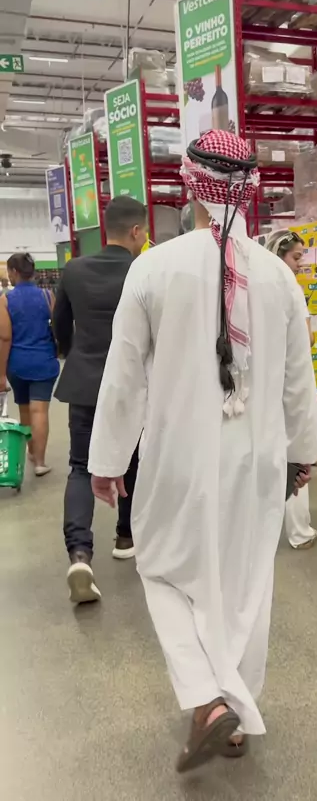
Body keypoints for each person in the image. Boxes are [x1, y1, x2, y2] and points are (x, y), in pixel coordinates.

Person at [88, 130, 317, 772]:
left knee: (162, 568)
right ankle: (234, 712)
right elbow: (298, 381)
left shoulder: (152, 268)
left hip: (177, 459)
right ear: (249, 191)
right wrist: (303, 453)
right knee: (244, 587)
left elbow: (124, 377)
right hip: (259, 460)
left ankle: (206, 699)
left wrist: (106, 461)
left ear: (189, 187)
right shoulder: (280, 277)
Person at [53, 196, 147, 604]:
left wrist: (75, 354)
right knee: (133, 460)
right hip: (131, 385)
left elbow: (60, 325)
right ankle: (126, 536)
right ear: (136, 231)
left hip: (85, 383)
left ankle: (79, 555)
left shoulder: (74, 269)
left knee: (79, 467)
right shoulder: (144, 269)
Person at [266, 229, 317, 550]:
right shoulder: (291, 289)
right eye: (296, 257)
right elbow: (306, 338)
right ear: (280, 254)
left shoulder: (257, 287)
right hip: (291, 382)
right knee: (297, 455)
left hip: (265, 383)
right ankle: (299, 531)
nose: (300, 264)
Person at [0, 253, 59, 475]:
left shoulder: (5, 300)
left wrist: (1, 373)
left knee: (25, 409)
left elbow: (5, 338)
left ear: (14, 272)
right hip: (44, 361)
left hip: (18, 363)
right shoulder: (47, 295)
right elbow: (57, 328)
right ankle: (40, 462)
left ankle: (32, 452)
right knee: (40, 410)